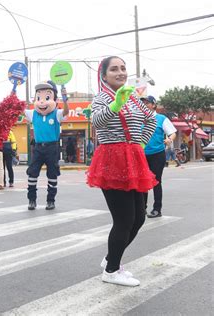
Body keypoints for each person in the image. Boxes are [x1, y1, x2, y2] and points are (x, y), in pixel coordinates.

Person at [87, 56, 157, 287]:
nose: (120, 73)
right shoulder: (101, 98)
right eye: (114, 69)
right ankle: (111, 270)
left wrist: (140, 143)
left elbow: (151, 119)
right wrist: (115, 105)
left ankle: (111, 258)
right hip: (112, 160)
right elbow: (96, 121)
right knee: (124, 219)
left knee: (138, 218)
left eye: (123, 68)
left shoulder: (134, 97)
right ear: (104, 75)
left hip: (134, 158)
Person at [24, 80, 69, 211]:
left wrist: (65, 99)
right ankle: (32, 200)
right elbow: (20, 109)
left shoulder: (57, 113)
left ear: (54, 99)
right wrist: (13, 94)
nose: (42, 101)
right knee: (32, 174)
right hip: (38, 148)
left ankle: (51, 201)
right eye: (39, 97)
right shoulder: (33, 114)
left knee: (52, 175)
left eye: (47, 97)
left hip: (52, 148)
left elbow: (66, 112)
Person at [141, 96, 178, 218]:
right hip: (141, 155)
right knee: (142, 182)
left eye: (147, 102)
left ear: (153, 105)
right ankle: (142, 208)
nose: (144, 104)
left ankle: (157, 209)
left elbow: (172, 133)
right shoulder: (139, 119)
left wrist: (169, 139)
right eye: (142, 103)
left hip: (157, 154)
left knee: (156, 182)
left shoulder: (161, 118)